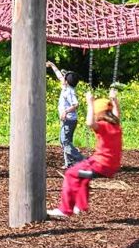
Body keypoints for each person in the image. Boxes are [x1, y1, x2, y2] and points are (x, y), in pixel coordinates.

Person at [48, 87, 122, 218]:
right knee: (82, 174)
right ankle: (80, 206)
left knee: (71, 174)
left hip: (100, 165)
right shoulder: (115, 125)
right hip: (110, 166)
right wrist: (114, 100)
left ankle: (65, 210)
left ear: (99, 114)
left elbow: (89, 122)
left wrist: (90, 103)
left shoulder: (103, 126)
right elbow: (117, 114)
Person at [47, 61, 84, 169]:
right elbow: (59, 75)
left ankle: (81, 159)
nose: (62, 78)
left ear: (67, 81)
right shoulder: (65, 87)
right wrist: (52, 65)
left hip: (69, 120)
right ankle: (69, 163)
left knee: (65, 142)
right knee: (65, 141)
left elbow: (76, 104)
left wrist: (65, 112)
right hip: (67, 120)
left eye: (64, 77)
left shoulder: (69, 91)